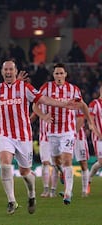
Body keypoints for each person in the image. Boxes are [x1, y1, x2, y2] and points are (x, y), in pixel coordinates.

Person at [0, 60, 79, 215]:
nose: (8, 72)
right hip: (5, 135)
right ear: (2, 72)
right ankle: (12, 201)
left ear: (15, 71)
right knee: (5, 164)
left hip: (23, 136)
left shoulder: (25, 88)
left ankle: (31, 195)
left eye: (11, 69)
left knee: (25, 173)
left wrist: (63, 104)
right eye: (6, 70)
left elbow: (43, 100)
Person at [33, 63, 96, 205]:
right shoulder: (46, 88)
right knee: (57, 162)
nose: (59, 76)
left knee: (67, 160)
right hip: (52, 132)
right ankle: (62, 173)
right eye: (57, 73)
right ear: (53, 75)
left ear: (66, 74)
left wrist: (90, 121)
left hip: (68, 131)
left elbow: (83, 106)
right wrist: (43, 116)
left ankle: (68, 193)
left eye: (61, 73)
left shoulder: (73, 89)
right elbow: (35, 105)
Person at [74, 110, 91, 197]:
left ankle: (84, 190)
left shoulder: (77, 102)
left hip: (78, 137)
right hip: (64, 136)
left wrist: (73, 133)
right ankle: (67, 190)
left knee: (83, 163)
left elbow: (81, 119)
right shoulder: (60, 101)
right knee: (62, 162)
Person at [88, 86, 102, 188]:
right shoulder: (94, 104)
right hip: (99, 138)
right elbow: (90, 122)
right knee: (101, 162)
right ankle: (89, 179)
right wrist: (98, 133)